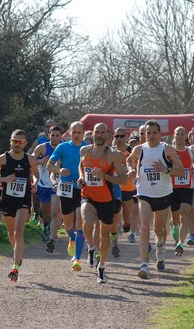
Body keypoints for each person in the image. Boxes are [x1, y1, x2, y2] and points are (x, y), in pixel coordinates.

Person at [127, 120, 185, 279]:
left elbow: (181, 171)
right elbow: (129, 160)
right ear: (144, 135)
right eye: (148, 133)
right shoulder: (139, 149)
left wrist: (166, 169)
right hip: (144, 192)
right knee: (145, 227)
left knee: (159, 229)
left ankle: (160, 247)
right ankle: (144, 265)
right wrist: (132, 170)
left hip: (163, 194)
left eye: (154, 133)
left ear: (160, 134)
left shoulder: (167, 149)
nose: (151, 136)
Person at [0, 129, 39, 282]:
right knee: (11, 233)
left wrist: (35, 182)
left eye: (20, 142)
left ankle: (15, 267)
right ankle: (18, 255)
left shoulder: (30, 159)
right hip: (7, 199)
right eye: (15, 141)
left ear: (25, 143)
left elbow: (36, 173)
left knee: (18, 230)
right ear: (10, 142)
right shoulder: (4, 158)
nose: (17, 144)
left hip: (24, 199)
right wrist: (4, 178)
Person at [79, 123, 127, 283]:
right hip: (88, 195)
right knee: (87, 223)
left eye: (102, 133)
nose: (99, 135)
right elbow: (81, 166)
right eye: (96, 132)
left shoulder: (112, 154)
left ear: (108, 135)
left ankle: (102, 268)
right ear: (93, 134)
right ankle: (91, 248)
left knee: (104, 236)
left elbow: (123, 178)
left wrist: (105, 177)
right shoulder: (84, 150)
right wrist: (81, 177)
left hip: (106, 199)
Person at [46, 121, 89, 271]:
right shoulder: (62, 147)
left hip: (82, 188)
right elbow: (49, 165)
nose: (76, 135)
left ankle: (76, 258)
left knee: (80, 222)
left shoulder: (87, 148)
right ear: (70, 133)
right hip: (66, 187)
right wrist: (59, 170)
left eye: (79, 132)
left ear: (83, 133)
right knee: (68, 222)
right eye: (74, 132)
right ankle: (71, 236)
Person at [32, 125, 62, 246]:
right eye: (52, 135)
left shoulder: (64, 148)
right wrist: (41, 161)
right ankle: (46, 225)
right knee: (45, 209)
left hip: (57, 183)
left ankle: (48, 230)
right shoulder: (42, 148)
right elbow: (31, 162)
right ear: (49, 135)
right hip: (44, 183)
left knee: (54, 211)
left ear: (60, 136)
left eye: (57, 135)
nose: (55, 137)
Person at [171, 126, 194, 256]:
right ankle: (175, 226)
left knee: (184, 213)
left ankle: (181, 242)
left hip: (187, 188)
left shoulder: (190, 151)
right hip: (172, 188)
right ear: (174, 136)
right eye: (177, 134)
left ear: (186, 136)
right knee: (175, 217)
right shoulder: (169, 151)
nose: (180, 136)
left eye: (182, 134)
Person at [112, 127, 136, 250]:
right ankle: (115, 242)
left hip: (127, 188)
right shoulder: (110, 151)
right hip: (113, 187)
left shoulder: (131, 151)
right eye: (117, 136)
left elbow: (136, 166)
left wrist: (131, 170)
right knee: (114, 216)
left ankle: (127, 224)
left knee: (127, 217)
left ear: (126, 137)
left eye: (121, 136)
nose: (119, 139)